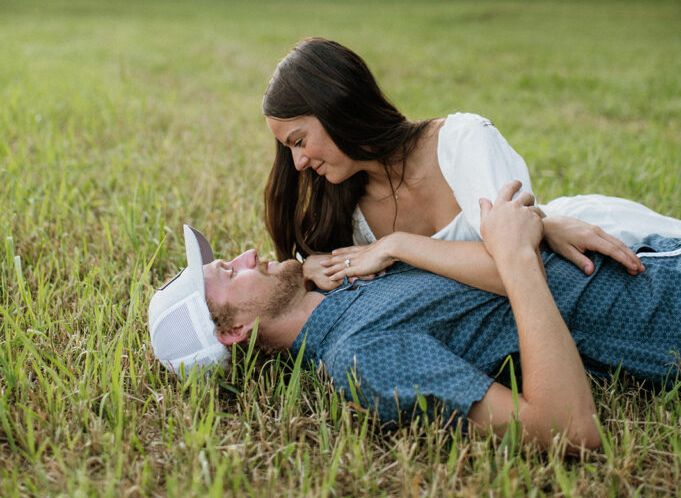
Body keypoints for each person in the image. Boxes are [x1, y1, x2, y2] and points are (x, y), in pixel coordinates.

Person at [148, 182, 681, 452]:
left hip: (655, 252)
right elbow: (566, 428)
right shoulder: (360, 358)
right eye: (231, 271)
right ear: (236, 331)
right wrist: (517, 257)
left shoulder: (344, 283)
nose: (246, 255)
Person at [262, 37, 681, 288]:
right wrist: (305, 270)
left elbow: (514, 273)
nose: (298, 163)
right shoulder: (349, 215)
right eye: (289, 150)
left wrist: (394, 246)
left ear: (338, 107)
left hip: (604, 246)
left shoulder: (461, 142)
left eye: (299, 141)